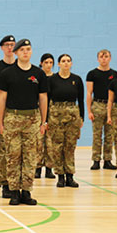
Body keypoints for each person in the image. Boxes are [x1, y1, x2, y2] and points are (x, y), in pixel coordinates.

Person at [0, 39, 48, 205]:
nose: (26, 52)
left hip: (32, 119)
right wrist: (1, 122)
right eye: (22, 49)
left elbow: (43, 98)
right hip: (12, 117)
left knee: (30, 156)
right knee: (13, 155)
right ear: (16, 52)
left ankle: (26, 191)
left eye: (28, 49)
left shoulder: (38, 74)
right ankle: (14, 191)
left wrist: (43, 121)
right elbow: (2, 98)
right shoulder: (7, 74)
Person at [47, 54, 84, 188]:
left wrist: (82, 118)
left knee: (70, 146)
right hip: (56, 114)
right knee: (57, 146)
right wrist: (46, 119)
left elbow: (81, 100)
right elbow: (47, 99)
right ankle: (60, 176)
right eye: (63, 61)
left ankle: (70, 176)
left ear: (71, 63)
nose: (66, 63)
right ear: (58, 64)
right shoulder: (52, 80)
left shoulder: (77, 79)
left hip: (73, 115)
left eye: (68, 61)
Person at [0, 35, 18, 198]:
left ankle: (18, 184)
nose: (9, 48)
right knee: (2, 149)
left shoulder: (21, 65)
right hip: (2, 112)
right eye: (6, 45)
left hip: (18, 112)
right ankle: (5, 183)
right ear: (1, 48)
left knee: (17, 152)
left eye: (12, 45)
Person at [86, 49, 117, 170]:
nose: (104, 59)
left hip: (111, 106)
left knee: (110, 135)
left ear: (110, 58)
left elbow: (116, 92)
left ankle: (108, 160)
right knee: (97, 135)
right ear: (98, 59)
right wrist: (89, 111)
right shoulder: (92, 74)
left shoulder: (114, 74)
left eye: (106, 56)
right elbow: (89, 93)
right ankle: (96, 160)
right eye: (101, 56)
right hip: (98, 105)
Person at [35, 53, 55, 179]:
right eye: (46, 62)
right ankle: (37, 168)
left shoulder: (55, 78)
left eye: (50, 63)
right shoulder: (38, 76)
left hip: (53, 112)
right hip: (38, 110)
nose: (48, 65)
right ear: (41, 63)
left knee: (50, 143)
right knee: (38, 142)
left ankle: (49, 168)